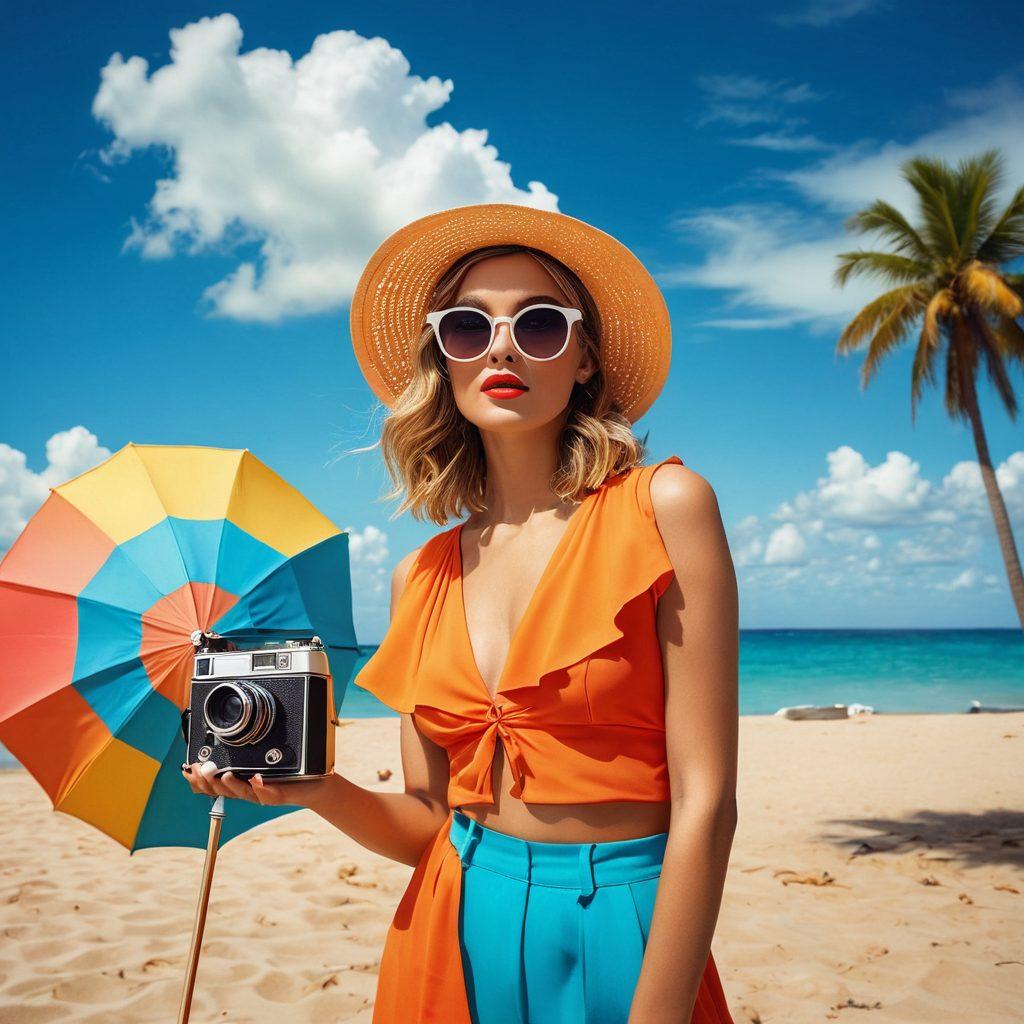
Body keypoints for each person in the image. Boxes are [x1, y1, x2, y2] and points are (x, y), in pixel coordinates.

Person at [183, 203, 739, 1023]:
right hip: (450, 921)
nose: (504, 345)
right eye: (469, 327)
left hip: (630, 921)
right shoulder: (421, 574)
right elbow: (429, 825)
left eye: (541, 323)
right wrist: (315, 788)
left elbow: (708, 802)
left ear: (586, 357)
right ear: (443, 359)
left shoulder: (666, 507)